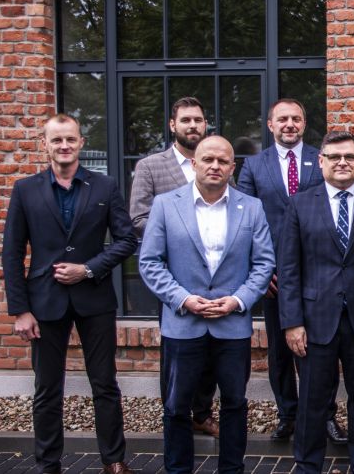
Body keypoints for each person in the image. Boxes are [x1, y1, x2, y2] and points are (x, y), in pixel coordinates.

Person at [2, 114, 137, 474]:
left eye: (70, 140)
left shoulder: (105, 186)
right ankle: (48, 464)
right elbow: (12, 253)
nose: (64, 146)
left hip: (94, 299)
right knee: (47, 389)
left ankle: (114, 460)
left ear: (80, 143)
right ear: (44, 144)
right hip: (43, 302)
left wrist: (88, 268)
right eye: (56, 140)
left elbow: (127, 240)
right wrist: (20, 311)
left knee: (105, 384)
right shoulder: (25, 189)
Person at [138, 136, 274, 474]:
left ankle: (231, 468)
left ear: (232, 167)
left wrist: (238, 300)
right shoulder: (166, 205)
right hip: (183, 324)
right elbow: (150, 262)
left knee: (234, 404)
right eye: (208, 159)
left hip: (231, 326)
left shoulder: (251, 207)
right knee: (176, 406)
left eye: (223, 161)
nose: (215, 166)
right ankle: (178, 469)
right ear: (195, 163)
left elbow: (264, 263)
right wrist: (183, 298)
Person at [277, 131, 354, 474]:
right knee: (313, 400)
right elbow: (289, 268)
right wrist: (292, 322)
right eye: (334, 157)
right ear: (322, 162)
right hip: (315, 319)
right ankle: (307, 464)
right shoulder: (300, 203)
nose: (342, 162)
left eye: (349, 156)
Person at [237, 98, 330, 443]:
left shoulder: (320, 159)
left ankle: (324, 415)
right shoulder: (253, 166)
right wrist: (260, 272)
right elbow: (243, 220)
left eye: (296, 119)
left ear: (304, 124)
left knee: (320, 348)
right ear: (270, 125)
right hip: (274, 276)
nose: (289, 124)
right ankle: (288, 413)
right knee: (279, 350)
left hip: (319, 271)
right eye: (283, 119)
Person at [128, 96, 220, 438]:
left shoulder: (216, 163)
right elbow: (137, 217)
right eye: (186, 120)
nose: (193, 126)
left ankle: (202, 412)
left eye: (198, 120)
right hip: (170, 273)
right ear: (173, 125)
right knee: (177, 347)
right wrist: (180, 232)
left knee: (212, 345)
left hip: (213, 273)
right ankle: (175, 411)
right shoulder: (151, 167)